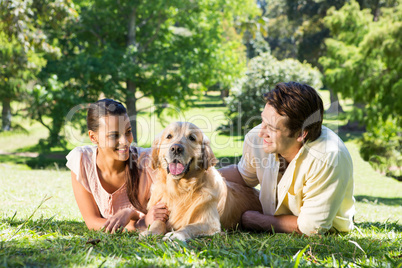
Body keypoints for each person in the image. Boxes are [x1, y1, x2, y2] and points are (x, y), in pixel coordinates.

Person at [219, 82, 355, 236]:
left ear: (301, 134)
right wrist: (203, 175)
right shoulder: (258, 138)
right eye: (262, 120)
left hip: (329, 229)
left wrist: (257, 220)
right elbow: (244, 175)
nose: (261, 132)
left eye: (272, 127)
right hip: (274, 218)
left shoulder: (328, 156)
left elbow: (312, 228)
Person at [66, 99, 169, 233]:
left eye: (128, 132)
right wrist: (139, 223)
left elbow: (166, 214)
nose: (125, 142)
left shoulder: (148, 162)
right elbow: (92, 222)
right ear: (93, 137)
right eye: (114, 135)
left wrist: (131, 214)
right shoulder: (82, 161)